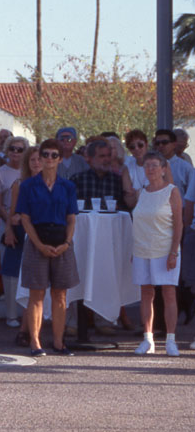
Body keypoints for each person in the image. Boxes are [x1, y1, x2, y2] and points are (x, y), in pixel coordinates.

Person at [16, 138, 79, 357]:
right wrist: (39, 245)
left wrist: (67, 243)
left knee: (61, 295)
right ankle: (35, 342)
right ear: (39, 158)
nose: (49, 159)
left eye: (54, 155)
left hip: (62, 241)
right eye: (46, 155)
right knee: (37, 294)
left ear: (60, 159)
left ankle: (59, 342)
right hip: (37, 241)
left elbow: (71, 218)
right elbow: (24, 219)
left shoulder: (68, 186)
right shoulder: (27, 186)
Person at [130, 151, 182, 357]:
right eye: (147, 165)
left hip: (165, 249)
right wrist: (134, 250)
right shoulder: (141, 192)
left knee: (168, 293)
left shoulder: (172, 191)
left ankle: (171, 339)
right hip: (142, 250)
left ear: (163, 169)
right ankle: (147, 339)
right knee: (146, 294)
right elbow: (138, 224)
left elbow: (179, 224)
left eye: (154, 165)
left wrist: (174, 252)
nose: (150, 169)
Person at [0, 137, 29, 328]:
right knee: (9, 271)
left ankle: (28, 312)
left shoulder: (29, 172)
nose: (16, 152)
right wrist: (9, 222)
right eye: (12, 149)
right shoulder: (0, 173)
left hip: (28, 224)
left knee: (28, 270)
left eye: (20, 149)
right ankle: (11, 314)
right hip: (6, 222)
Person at [70, 138, 136, 211]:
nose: (107, 159)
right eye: (102, 156)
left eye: (109, 155)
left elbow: (125, 209)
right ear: (91, 158)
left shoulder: (117, 181)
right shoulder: (77, 180)